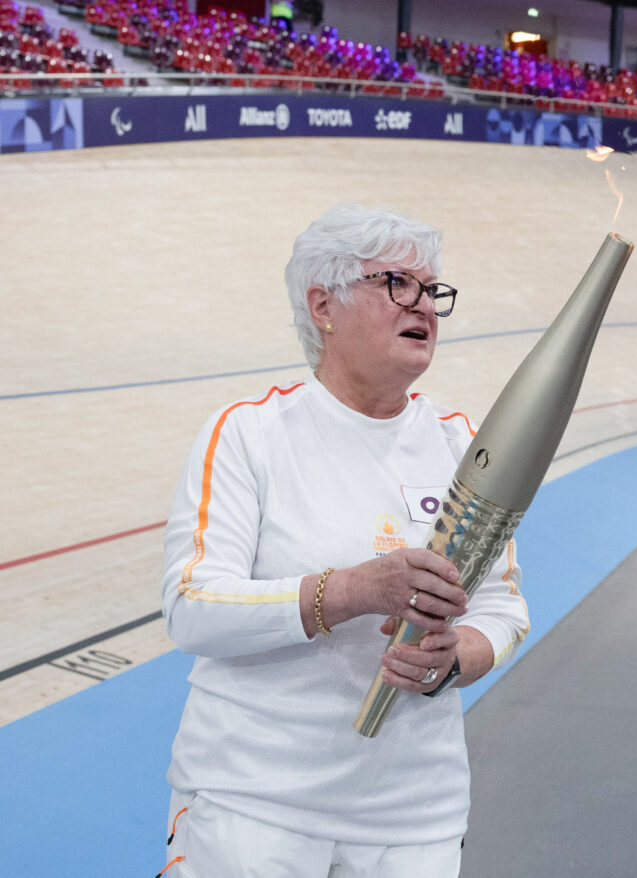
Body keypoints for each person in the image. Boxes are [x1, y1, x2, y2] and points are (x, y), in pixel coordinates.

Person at [160, 204, 530, 877]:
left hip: (417, 818)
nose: (424, 305)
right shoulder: (248, 435)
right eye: (398, 284)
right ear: (323, 305)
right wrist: (354, 590)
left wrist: (455, 658)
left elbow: (504, 610)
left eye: (433, 290)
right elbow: (193, 608)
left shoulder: (461, 446)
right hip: (256, 810)